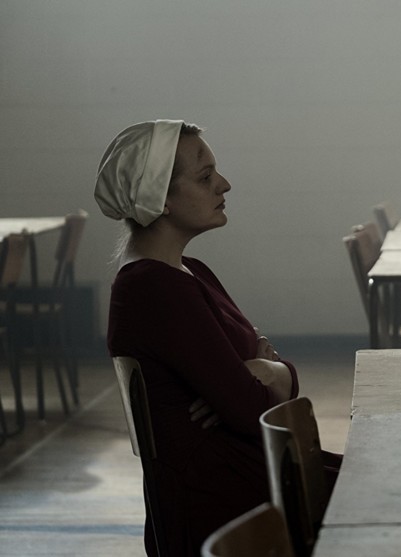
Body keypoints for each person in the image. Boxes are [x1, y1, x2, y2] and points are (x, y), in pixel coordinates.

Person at [94, 120, 340, 556]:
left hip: (247, 467)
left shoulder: (190, 272)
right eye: (205, 177)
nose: (224, 184)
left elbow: (262, 392)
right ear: (160, 199)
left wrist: (266, 373)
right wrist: (261, 376)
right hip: (223, 495)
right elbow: (252, 409)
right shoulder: (153, 289)